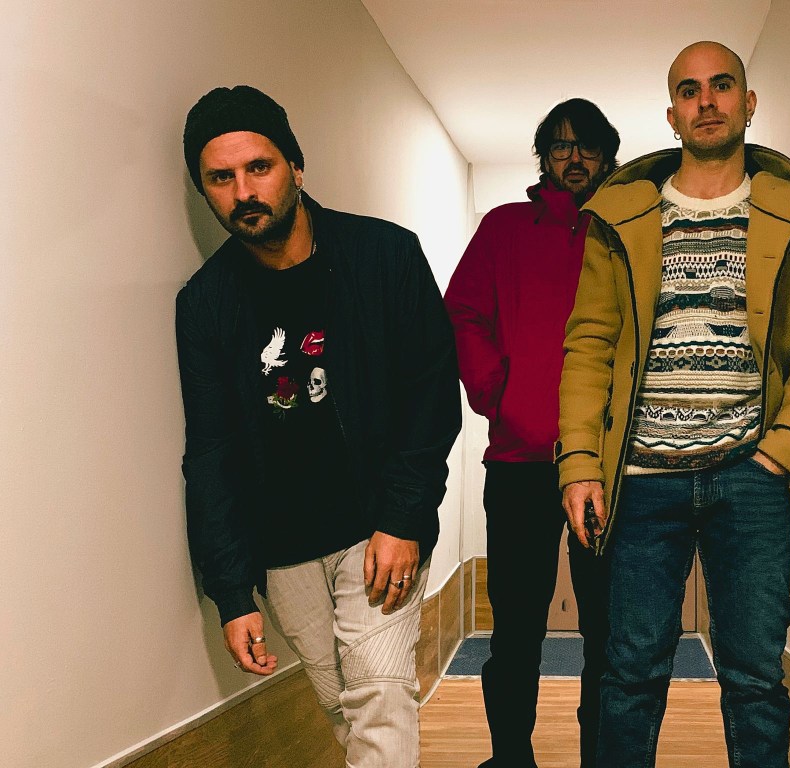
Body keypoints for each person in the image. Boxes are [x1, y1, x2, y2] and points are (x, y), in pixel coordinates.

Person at [557, 43, 790, 768]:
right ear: (672, 114)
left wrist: (781, 450)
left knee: (755, 678)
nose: (706, 101)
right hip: (641, 481)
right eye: (689, 91)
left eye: (722, 86)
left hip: (751, 478)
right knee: (630, 674)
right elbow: (588, 343)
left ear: (748, 103)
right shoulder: (622, 214)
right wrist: (580, 463)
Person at [175, 85, 461, 768]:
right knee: (347, 709)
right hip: (283, 551)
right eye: (220, 178)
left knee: (379, 700)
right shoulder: (205, 304)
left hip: (376, 528)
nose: (244, 192)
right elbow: (210, 452)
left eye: (259, 167)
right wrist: (232, 594)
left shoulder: (384, 256)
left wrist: (403, 516)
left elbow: (430, 394)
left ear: (296, 167)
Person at [444, 98, 620, 768]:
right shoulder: (504, 227)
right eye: (561, 145)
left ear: (606, 156)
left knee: (608, 633)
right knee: (516, 631)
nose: (574, 158)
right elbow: (462, 311)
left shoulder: (625, 230)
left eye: (587, 146)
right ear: (544, 155)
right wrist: (498, 395)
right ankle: (510, 757)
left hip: (606, 465)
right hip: (520, 461)